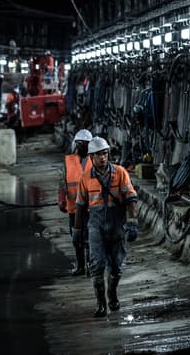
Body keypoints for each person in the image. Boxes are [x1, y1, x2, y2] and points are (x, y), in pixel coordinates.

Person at [75, 136, 139, 317]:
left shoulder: (119, 173)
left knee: (117, 267)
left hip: (116, 224)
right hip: (95, 226)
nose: (102, 157)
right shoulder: (85, 178)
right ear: (91, 158)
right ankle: (101, 303)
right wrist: (77, 231)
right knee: (97, 265)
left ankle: (112, 294)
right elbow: (80, 206)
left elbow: (131, 198)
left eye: (104, 153)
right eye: (98, 155)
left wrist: (132, 224)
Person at [58, 129, 93, 276]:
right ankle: (80, 267)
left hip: (92, 208)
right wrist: (61, 199)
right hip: (73, 208)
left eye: (85, 143)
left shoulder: (96, 159)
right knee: (77, 238)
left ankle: (92, 266)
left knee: (91, 239)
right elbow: (62, 182)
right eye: (80, 143)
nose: (82, 146)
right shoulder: (68, 160)